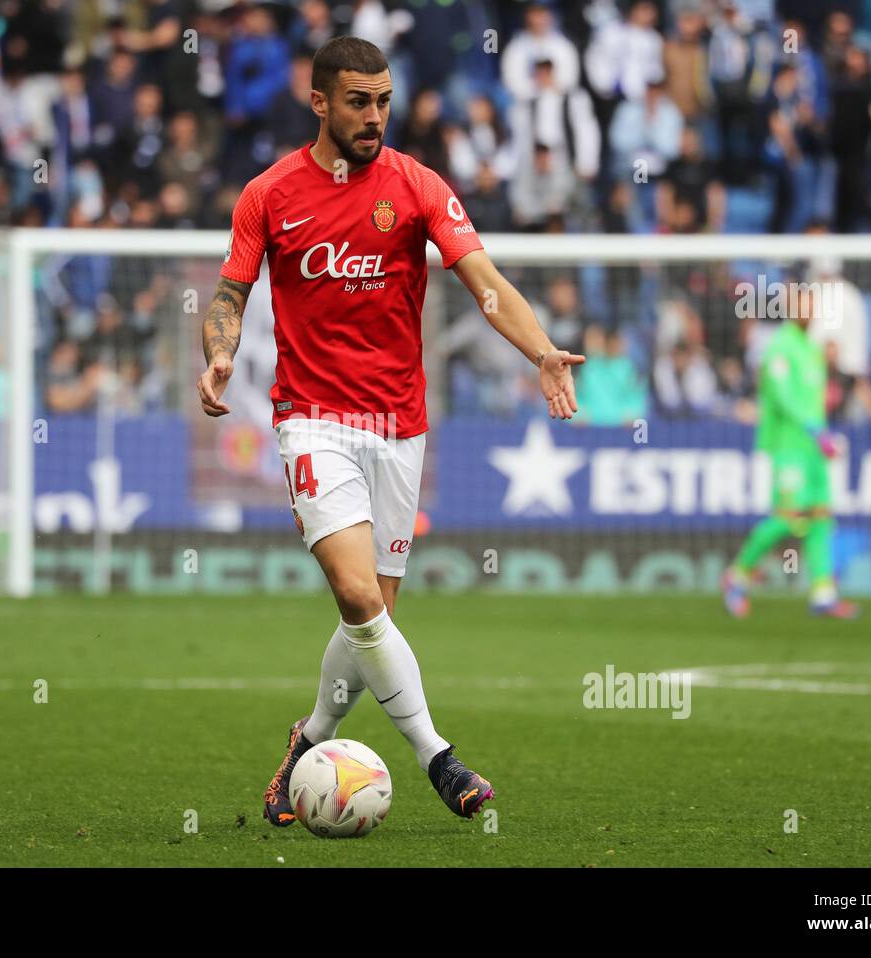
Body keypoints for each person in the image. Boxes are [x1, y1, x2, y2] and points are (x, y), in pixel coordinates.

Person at [196, 37, 584, 827]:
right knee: (355, 591)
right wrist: (221, 354)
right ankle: (439, 757)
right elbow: (230, 293)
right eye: (358, 102)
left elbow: (486, 282)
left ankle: (308, 742)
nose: (375, 116)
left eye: (383, 101)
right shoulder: (269, 194)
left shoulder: (417, 186)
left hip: (399, 425)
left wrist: (541, 350)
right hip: (313, 419)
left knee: (370, 619)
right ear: (320, 103)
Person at [722, 290, 859, 619]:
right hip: (788, 447)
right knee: (787, 518)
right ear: (790, 309)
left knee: (821, 517)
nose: (808, 311)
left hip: (814, 449)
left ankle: (823, 593)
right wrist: (814, 428)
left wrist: (822, 433)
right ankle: (736, 576)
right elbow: (783, 397)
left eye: (812, 305)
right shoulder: (780, 347)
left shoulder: (812, 349)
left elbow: (814, 398)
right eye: (803, 305)